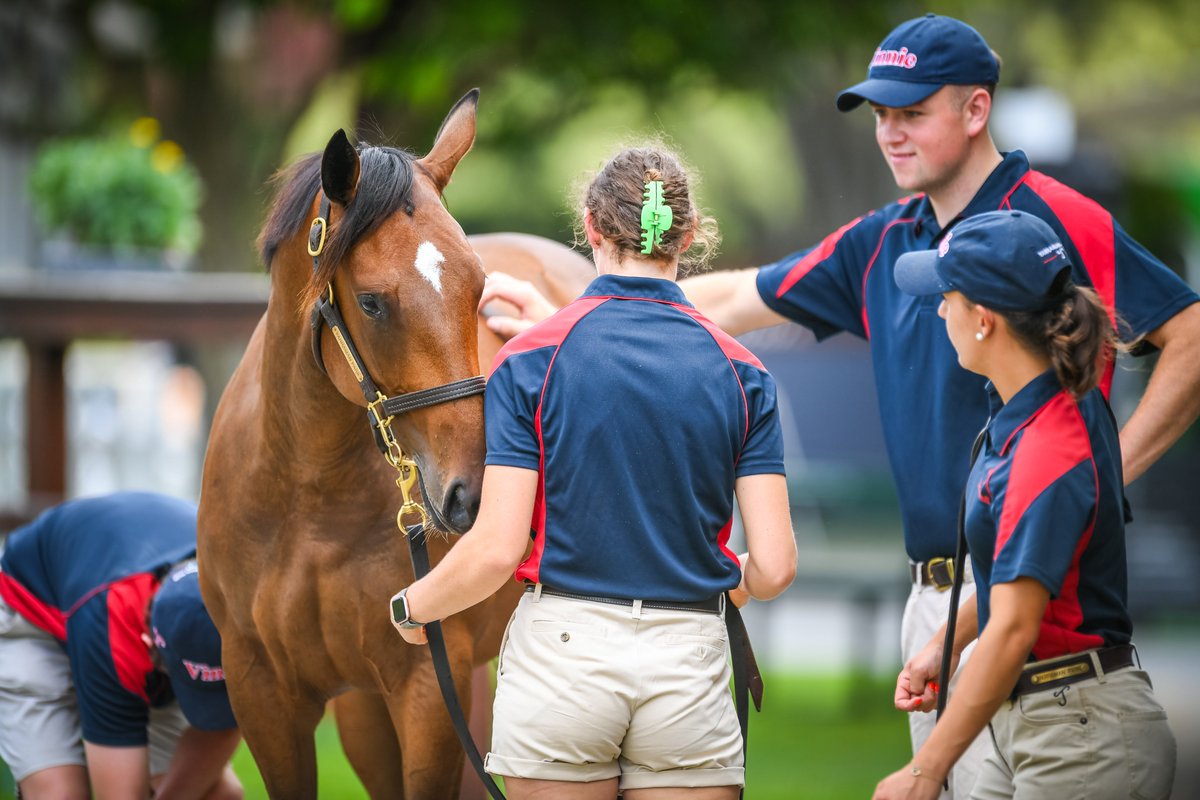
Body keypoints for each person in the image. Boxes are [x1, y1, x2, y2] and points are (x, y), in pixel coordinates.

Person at [478, 14, 1200, 796]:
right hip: (940, 604)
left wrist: (1094, 478)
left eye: (913, 111)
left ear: (976, 109)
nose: (890, 132)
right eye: (880, 114)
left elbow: (1190, 337)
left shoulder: (1057, 219)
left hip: (1049, 607)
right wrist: (582, 320)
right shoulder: (885, 240)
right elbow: (727, 296)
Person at [389, 143, 797, 800]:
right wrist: (733, 579)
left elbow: (495, 550)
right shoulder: (746, 374)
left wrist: (414, 607)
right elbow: (775, 568)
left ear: (590, 228)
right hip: (688, 660)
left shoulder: (529, 361)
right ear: (688, 237)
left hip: (563, 661)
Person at [872, 209, 1177, 799]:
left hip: (1084, 742)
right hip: (1040, 723)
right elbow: (1018, 584)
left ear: (983, 320)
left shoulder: (1047, 447)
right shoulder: (1044, 406)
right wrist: (948, 642)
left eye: (946, 298)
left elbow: (1013, 628)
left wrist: (924, 770)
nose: (938, 311)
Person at [0, 491, 242, 800]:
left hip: (103, 591)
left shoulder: (243, 611)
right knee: (60, 794)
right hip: (30, 613)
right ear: (153, 648)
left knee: (220, 794)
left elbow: (222, 725)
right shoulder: (115, 626)